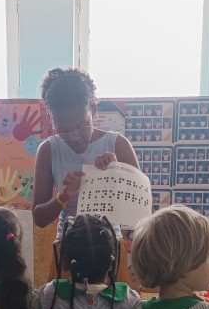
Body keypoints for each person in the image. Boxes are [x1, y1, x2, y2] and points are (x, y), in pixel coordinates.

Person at [31, 68, 139, 234]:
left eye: (81, 126)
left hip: (109, 243)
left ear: (93, 110)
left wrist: (117, 174)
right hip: (69, 243)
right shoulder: (48, 150)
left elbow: (141, 212)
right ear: (52, 120)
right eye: (62, 129)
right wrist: (63, 196)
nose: (74, 136)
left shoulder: (118, 145)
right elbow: (39, 219)